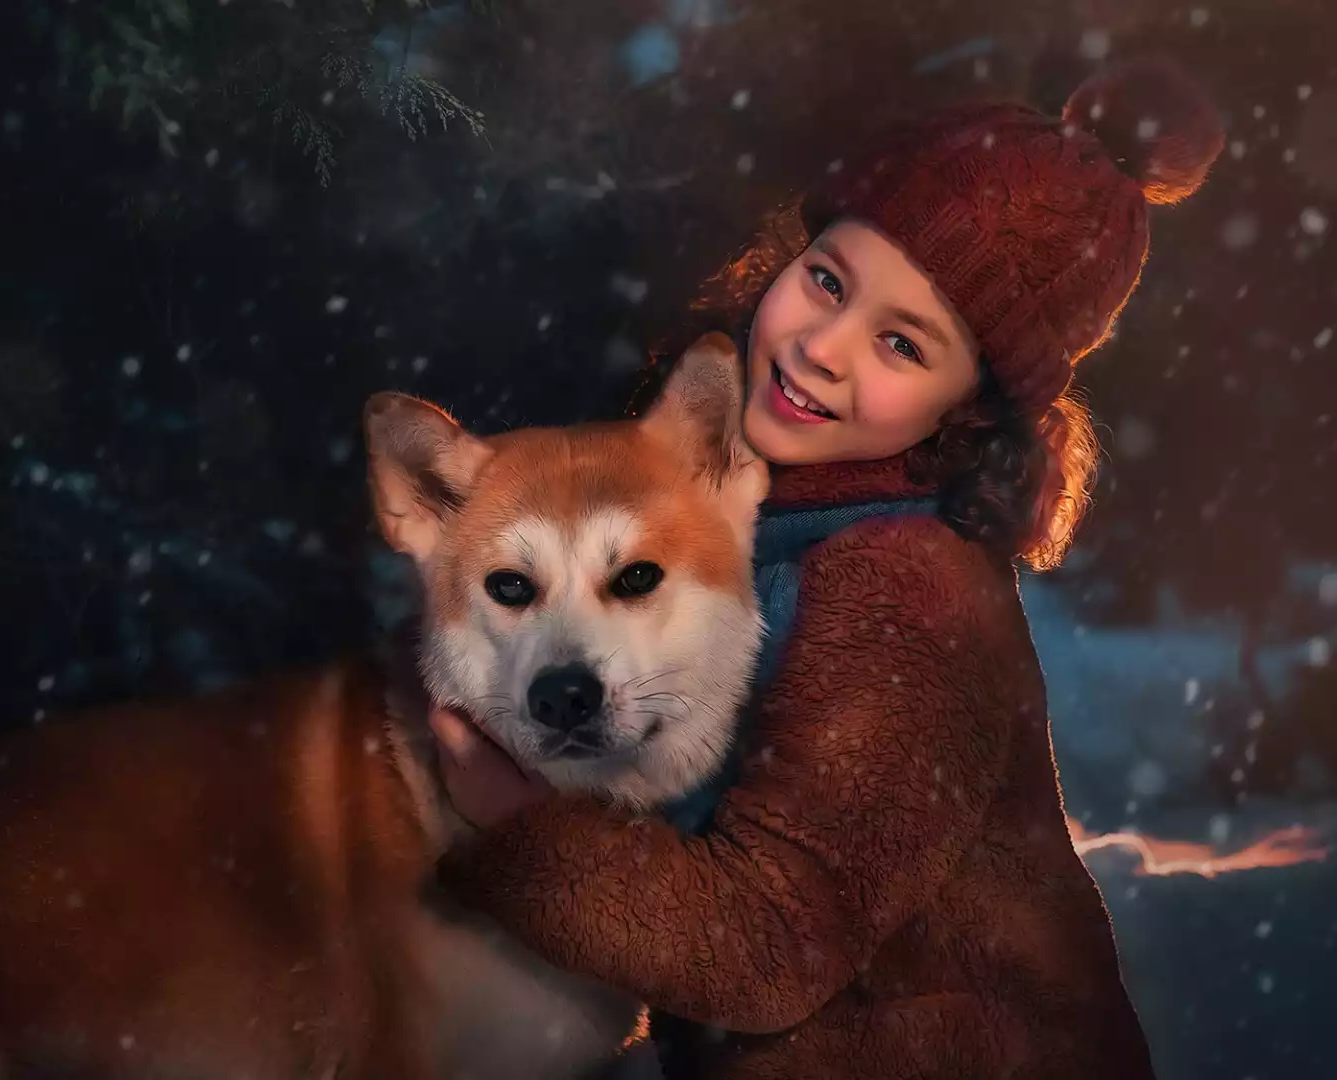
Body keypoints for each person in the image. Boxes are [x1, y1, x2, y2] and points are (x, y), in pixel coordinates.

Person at [423, 56, 1225, 1079]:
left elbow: (770, 943)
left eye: (902, 344)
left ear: (968, 410)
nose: (823, 348)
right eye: (829, 282)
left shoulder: (904, 589)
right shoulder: (753, 506)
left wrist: (515, 830)